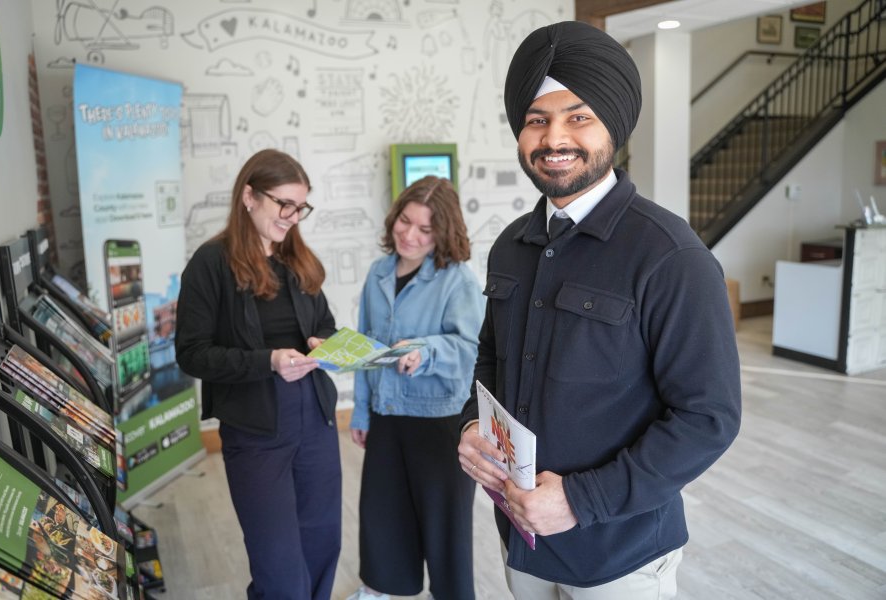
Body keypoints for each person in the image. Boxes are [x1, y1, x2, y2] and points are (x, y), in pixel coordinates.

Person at [457, 21, 742, 600]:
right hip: (523, 538)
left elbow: (708, 417)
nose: (554, 137)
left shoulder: (671, 256)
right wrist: (471, 425)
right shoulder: (511, 245)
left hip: (621, 554)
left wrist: (580, 500)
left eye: (578, 117)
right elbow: (491, 358)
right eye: (537, 119)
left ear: (614, 124)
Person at [176, 149, 340, 600]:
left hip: (316, 419)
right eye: (284, 204)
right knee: (278, 566)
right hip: (255, 429)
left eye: (300, 207)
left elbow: (325, 323)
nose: (293, 217)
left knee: (322, 544)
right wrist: (267, 361)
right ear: (249, 196)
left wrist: (323, 343)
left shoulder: (298, 260)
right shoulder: (210, 263)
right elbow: (191, 354)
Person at [348, 176, 485, 600]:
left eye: (425, 229)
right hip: (387, 416)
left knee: (446, 532)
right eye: (405, 221)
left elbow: (472, 349)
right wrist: (361, 410)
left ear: (443, 233)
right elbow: (365, 347)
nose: (409, 235)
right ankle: (380, 591)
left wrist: (425, 351)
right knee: (383, 519)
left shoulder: (458, 280)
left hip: (440, 422)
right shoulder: (378, 273)